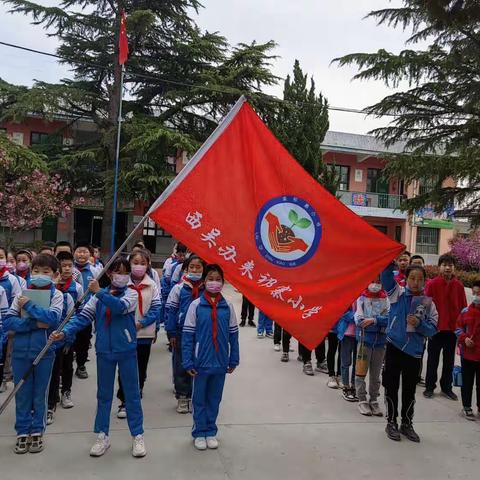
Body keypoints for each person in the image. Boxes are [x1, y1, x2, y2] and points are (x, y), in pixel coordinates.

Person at [50, 258, 146, 458]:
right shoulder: (96, 298)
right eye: (117, 272)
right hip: (104, 351)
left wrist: (99, 292)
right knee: (103, 395)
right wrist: (65, 332)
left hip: (126, 350)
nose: (121, 276)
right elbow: (83, 317)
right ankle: (102, 435)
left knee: (132, 394)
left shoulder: (130, 293)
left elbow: (120, 307)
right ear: (110, 274)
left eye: (125, 272)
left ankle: (137, 435)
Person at [4, 254, 63, 454]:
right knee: (22, 393)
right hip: (20, 352)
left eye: (45, 272)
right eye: (36, 271)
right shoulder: (21, 293)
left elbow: (52, 319)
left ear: (55, 275)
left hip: (44, 352)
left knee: (39, 394)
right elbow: (9, 322)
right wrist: (33, 324)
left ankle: (37, 431)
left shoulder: (57, 295)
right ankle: (22, 432)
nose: (39, 275)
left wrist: (29, 306)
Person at [182, 264, 239, 451]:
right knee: (199, 398)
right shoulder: (196, 305)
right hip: (200, 362)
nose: (214, 283)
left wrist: (233, 359)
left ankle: (210, 431)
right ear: (204, 281)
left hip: (221, 362)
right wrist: (188, 360)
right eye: (210, 279)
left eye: (218, 279)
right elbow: (188, 335)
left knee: (215, 398)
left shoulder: (227, 306)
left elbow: (233, 335)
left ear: (223, 282)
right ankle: (199, 431)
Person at [381, 263, 438, 442]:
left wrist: (419, 324)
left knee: (409, 390)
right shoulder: (397, 293)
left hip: (414, 353)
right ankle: (391, 422)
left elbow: (433, 330)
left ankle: (407, 423)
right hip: (394, 347)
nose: (416, 282)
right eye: (412, 278)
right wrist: (390, 260)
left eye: (420, 279)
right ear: (406, 279)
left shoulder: (428, 303)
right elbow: (385, 276)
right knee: (391, 386)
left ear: (424, 282)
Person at [116, 249, 161, 419]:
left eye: (143, 263)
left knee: (140, 368)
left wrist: (143, 323)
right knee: (124, 368)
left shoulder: (152, 285)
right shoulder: (122, 284)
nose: (139, 266)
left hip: (144, 334)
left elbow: (156, 307)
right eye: (135, 262)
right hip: (124, 334)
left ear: (148, 265)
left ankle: (136, 395)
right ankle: (124, 400)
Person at [46, 251, 83, 423]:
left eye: (70, 265)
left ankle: (65, 392)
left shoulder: (75, 288)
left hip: (67, 334)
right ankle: (50, 402)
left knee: (67, 366)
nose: (67, 269)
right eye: (63, 266)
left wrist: (69, 337)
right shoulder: (49, 289)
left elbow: (78, 314)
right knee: (53, 370)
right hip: (51, 336)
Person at [424, 254, 467, 400]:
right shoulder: (432, 284)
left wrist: (463, 329)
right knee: (432, 360)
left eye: (450, 265)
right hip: (435, 329)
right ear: (439, 267)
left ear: (454, 268)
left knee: (449, 361)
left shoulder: (459, 286)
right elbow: (425, 306)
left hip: (452, 330)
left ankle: (446, 388)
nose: (448, 267)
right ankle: (430, 387)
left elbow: (463, 309)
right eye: (445, 264)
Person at [166, 255, 205, 414]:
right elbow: (171, 311)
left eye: (198, 267)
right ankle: (182, 397)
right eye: (192, 267)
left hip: (202, 333)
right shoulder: (179, 288)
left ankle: (197, 397)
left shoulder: (208, 289)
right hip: (182, 333)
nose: (195, 270)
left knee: (200, 364)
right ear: (186, 269)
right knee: (181, 364)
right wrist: (172, 333)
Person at [354, 279, 390, 416]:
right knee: (360, 372)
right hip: (364, 341)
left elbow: (389, 318)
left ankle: (374, 400)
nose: (375, 284)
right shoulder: (361, 297)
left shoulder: (386, 297)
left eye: (378, 281)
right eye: (372, 280)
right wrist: (377, 321)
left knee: (375, 375)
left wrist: (374, 320)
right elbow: (359, 319)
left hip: (380, 342)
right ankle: (362, 399)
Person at [72, 242, 99, 379]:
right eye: (79, 251)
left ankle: (81, 365)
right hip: (70, 312)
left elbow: (98, 292)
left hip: (86, 312)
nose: (81, 254)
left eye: (85, 252)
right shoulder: (69, 269)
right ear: (74, 253)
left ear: (90, 255)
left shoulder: (95, 271)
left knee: (83, 340)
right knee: (69, 339)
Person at [456, 280, 480, 420]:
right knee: (467, 382)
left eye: (479, 293)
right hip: (468, 354)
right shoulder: (465, 311)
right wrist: (464, 339)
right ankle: (466, 406)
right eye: (475, 293)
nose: (477, 296)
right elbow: (458, 329)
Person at [0, 246, 23, 392]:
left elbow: (17, 302)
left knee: (4, 354)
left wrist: (10, 325)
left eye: (1, 257)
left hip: (4, 324)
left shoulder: (12, 280)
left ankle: (3, 377)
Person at [337, 307, 358, 401]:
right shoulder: (347, 295)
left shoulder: (364, 294)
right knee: (346, 362)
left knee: (357, 363)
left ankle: (354, 386)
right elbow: (341, 310)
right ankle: (346, 386)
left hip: (361, 333)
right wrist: (357, 316)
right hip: (347, 333)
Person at [326, 321, 342, 389]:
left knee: (342, 352)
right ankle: (331, 376)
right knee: (332, 350)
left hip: (345, 328)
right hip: (333, 326)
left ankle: (340, 375)